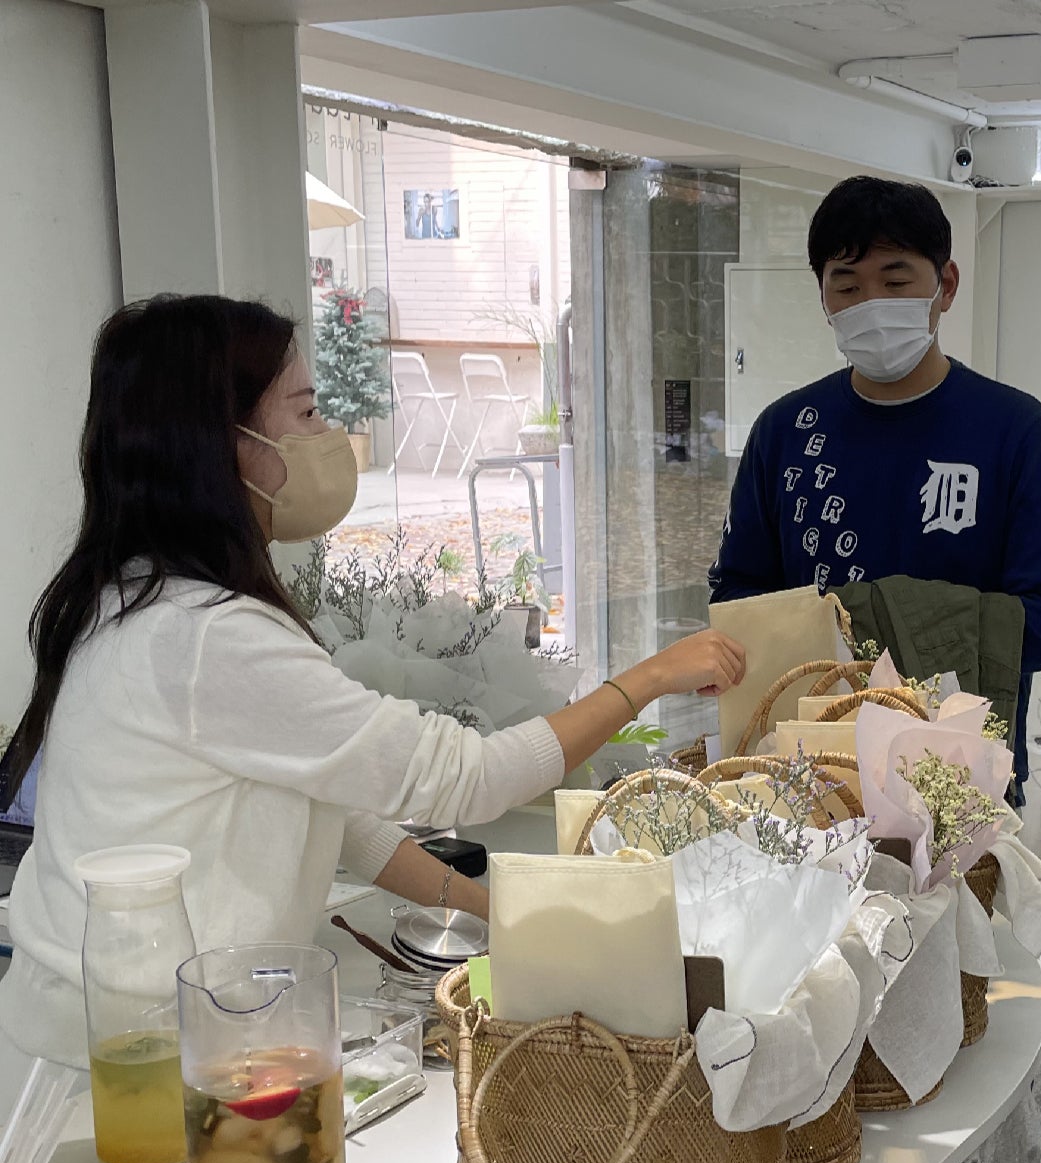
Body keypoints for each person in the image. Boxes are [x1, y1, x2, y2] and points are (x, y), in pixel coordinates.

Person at [0, 294, 746, 1069]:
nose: (330, 436)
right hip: (126, 1060)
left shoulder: (136, 596)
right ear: (225, 442)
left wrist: (496, 916)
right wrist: (654, 674)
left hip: (112, 1030)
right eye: (309, 411)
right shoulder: (207, 636)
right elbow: (469, 777)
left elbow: (337, 808)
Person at [708, 175, 1041, 783]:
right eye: (848, 285)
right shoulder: (784, 431)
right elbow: (738, 602)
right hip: (809, 776)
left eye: (895, 280)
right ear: (823, 297)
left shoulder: (1014, 429)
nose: (870, 304)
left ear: (945, 285)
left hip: (961, 784)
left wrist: (871, 621)